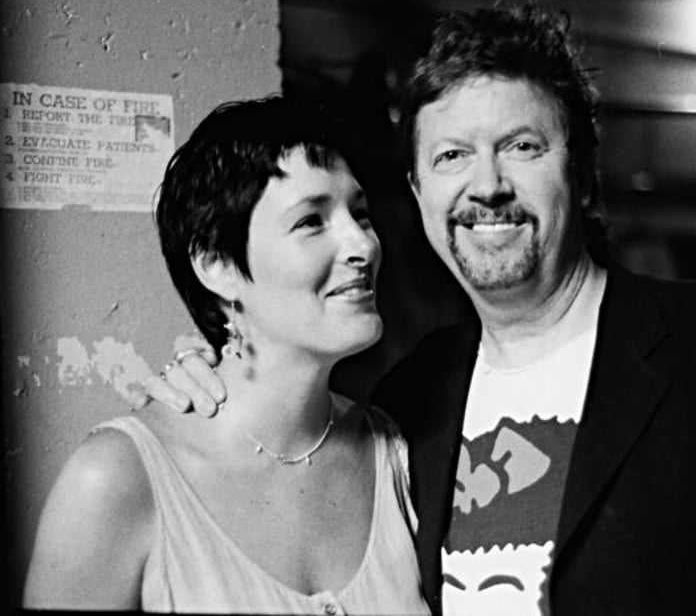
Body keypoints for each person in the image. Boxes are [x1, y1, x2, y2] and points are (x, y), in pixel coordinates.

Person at [142, 5, 696, 615]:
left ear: (582, 171)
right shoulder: (409, 404)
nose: (488, 185)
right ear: (418, 195)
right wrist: (213, 383)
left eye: (522, 146)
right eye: (452, 156)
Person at [24, 97, 430, 614]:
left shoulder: (396, 453)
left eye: (361, 213)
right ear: (215, 264)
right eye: (311, 221)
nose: (363, 246)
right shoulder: (113, 481)